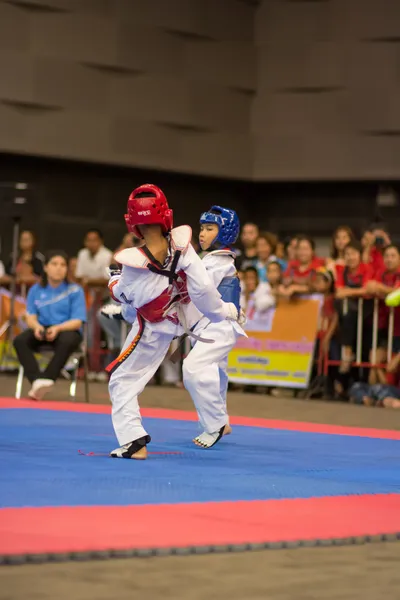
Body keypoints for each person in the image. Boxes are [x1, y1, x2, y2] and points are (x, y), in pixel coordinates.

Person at [105, 184, 239, 460]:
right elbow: (202, 289)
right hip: (176, 324)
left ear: (132, 223)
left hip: (150, 329)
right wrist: (221, 312)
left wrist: (114, 281)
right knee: (134, 378)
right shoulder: (183, 246)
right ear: (166, 215)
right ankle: (215, 421)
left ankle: (133, 441)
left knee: (122, 380)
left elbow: (128, 296)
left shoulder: (133, 262)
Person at [182, 206, 246, 448]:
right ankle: (222, 421)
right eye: (201, 228)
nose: (202, 233)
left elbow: (200, 289)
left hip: (218, 327)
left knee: (193, 368)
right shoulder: (212, 260)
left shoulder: (218, 262)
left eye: (209, 228)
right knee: (215, 375)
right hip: (209, 326)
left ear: (224, 232)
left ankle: (216, 423)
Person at [13, 251, 87, 400]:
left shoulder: (75, 290)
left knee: (67, 340)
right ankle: (37, 381)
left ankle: (47, 378)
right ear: (46, 267)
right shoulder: (36, 289)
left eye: (63, 265)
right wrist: (36, 327)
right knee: (20, 340)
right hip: (43, 328)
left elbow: (77, 321)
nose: (58, 268)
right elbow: (30, 316)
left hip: (66, 330)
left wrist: (58, 328)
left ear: (67, 269)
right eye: (54, 264)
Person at [335, 241, 373, 373]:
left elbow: (367, 290)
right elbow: (339, 292)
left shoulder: (367, 268)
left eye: (353, 254)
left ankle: (348, 353)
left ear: (360, 255)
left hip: (367, 311)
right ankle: (347, 353)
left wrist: (348, 291)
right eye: (347, 254)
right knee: (347, 315)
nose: (350, 257)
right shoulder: (342, 270)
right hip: (348, 313)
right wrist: (355, 292)